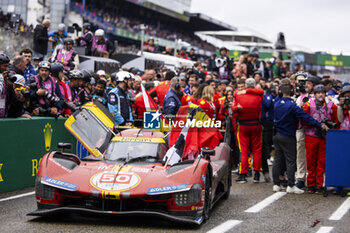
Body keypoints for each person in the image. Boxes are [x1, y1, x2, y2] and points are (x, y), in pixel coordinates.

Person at [272, 80, 327, 194]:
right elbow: (306, 117)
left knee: (277, 160)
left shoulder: (276, 103)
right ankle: (291, 185)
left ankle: (276, 184)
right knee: (291, 161)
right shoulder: (293, 106)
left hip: (277, 135)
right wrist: (319, 124)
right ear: (291, 91)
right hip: (288, 135)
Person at [303, 84, 338, 193]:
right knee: (310, 161)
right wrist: (316, 125)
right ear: (314, 94)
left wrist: (329, 127)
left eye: (322, 93)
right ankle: (310, 184)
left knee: (322, 161)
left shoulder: (332, 105)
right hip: (311, 136)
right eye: (318, 93)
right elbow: (303, 120)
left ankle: (320, 184)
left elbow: (336, 121)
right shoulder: (308, 105)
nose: (320, 95)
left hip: (325, 136)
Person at [233, 78, 264, 183]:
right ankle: (256, 173)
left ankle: (243, 174)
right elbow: (261, 92)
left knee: (244, 150)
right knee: (256, 150)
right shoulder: (258, 95)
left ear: (245, 86)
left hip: (243, 125)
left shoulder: (239, 96)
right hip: (256, 124)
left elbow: (234, 111)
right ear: (254, 85)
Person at [295, 73, 320, 189]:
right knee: (300, 154)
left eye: (309, 83)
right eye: (305, 84)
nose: (306, 86)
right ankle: (300, 177)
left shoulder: (319, 98)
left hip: (314, 131)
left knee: (313, 156)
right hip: (301, 129)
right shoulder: (300, 97)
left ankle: (314, 178)